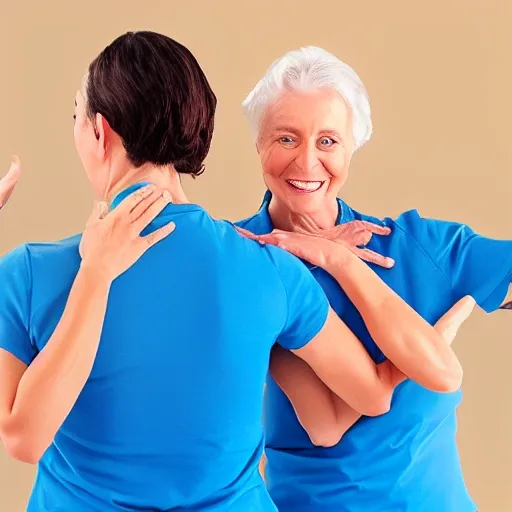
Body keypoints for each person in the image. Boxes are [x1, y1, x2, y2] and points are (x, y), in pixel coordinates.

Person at [0, 32, 472, 512]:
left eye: (76, 116)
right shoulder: (269, 267)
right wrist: (415, 350)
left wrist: (95, 275)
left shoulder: (28, 273)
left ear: (100, 131)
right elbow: (370, 396)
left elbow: (21, 439)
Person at [236, 45, 512, 512]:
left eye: (328, 141)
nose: (306, 163)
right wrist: (429, 341)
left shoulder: (418, 248)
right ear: (259, 142)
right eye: (286, 139)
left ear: (352, 146)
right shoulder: (242, 261)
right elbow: (324, 427)